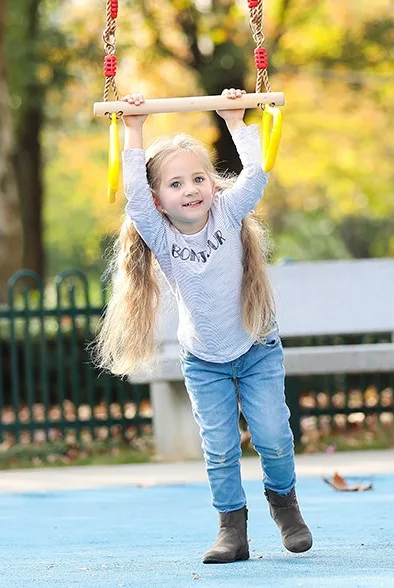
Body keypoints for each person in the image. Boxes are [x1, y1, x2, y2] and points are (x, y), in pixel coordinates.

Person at [95, 88, 312, 564]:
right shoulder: (160, 235)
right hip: (205, 362)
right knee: (219, 447)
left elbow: (256, 174)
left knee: (273, 433)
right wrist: (133, 129)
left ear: (212, 184)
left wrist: (235, 120)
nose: (190, 189)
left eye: (198, 178)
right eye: (176, 184)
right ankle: (232, 530)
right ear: (159, 201)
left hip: (256, 348)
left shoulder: (228, 214)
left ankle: (285, 505)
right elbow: (133, 192)